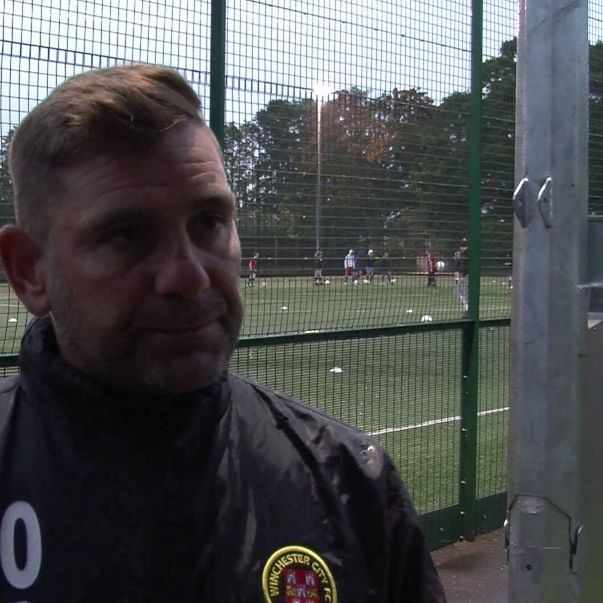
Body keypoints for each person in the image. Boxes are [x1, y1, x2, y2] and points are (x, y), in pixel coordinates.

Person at [0, 65, 446, 602]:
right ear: (29, 271)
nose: (189, 276)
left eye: (209, 222)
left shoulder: (348, 482)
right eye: (125, 235)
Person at [453, 239, 469, 316]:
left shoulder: (468, 254)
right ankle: (467, 307)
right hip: (464, 275)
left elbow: (467, 267)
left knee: (463, 292)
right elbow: (458, 267)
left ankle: (467, 309)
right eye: (461, 246)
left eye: (464, 246)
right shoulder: (461, 255)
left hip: (467, 276)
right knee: (457, 292)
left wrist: (462, 275)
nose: (462, 248)